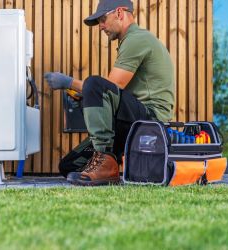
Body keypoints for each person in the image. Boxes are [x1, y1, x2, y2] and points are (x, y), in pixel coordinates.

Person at [44, 0, 174, 186]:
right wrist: (85, 96)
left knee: (95, 83)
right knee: (70, 166)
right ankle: (108, 161)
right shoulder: (131, 41)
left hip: (150, 121)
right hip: (131, 120)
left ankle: (105, 160)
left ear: (120, 13)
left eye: (103, 19)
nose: (100, 26)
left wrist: (68, 82)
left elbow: (111, 85)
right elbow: (115, 93)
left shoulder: (137, 39)